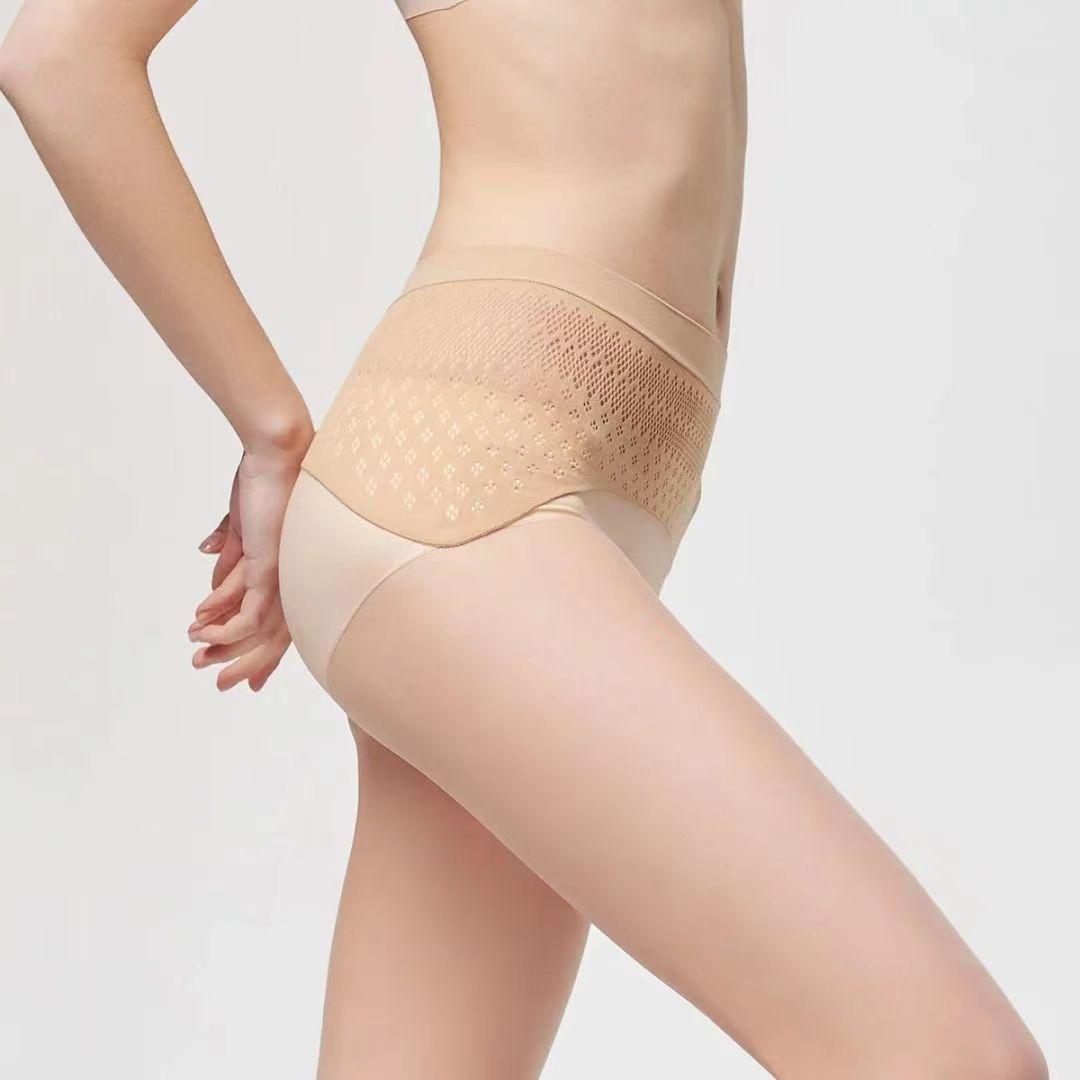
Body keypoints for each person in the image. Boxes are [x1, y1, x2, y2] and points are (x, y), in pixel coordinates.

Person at [0, 1, 1048, 1077]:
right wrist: (271, 431)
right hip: (468, 486)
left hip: (565, 494)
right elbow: (59, 54)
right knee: (954, 1060)